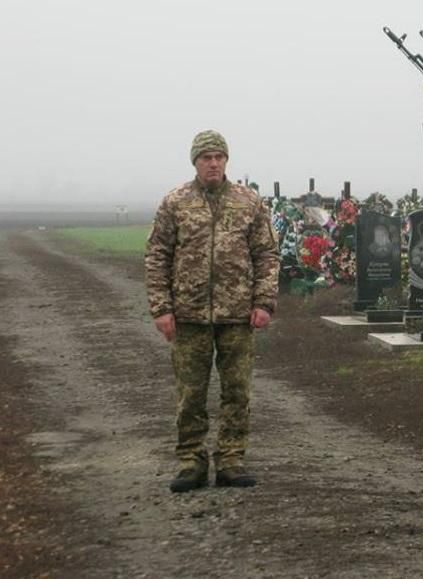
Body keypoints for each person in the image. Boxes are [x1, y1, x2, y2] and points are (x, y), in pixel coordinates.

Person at [145, 130, 279, 493]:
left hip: (237, 315)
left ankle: (231, 460)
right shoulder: (175, 202)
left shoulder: (248, 202)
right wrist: (161, 308)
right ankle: (191, 461)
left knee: (237, 391)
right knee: (191, 394)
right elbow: (157, 256)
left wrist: (263, 301)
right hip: (189, 316)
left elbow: (266, 254)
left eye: (219, 157)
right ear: (195, 162)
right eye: (206, 157)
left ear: (226, 160)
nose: (214, 163)